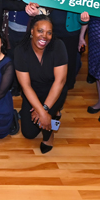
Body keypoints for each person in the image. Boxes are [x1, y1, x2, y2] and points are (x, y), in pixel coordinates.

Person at [15, 16, 68, 154]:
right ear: (32, 31)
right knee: (29, 133)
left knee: (45, 121)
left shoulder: (58, 46)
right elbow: (25, 86)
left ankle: (49, 136)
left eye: (49, 32)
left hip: (54, 91)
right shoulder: (21, 50)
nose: (44, 36)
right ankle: (50, 114)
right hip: (32, 92)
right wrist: (41, 111)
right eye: (40, 31)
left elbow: (60, 81)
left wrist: (44, 110)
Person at [43, 0, 88, 91]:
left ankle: (65, 87)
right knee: (48, 60)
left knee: (68, 61)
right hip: (48, 33)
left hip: (70, 33)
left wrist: (83, 22)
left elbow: (82, 16)